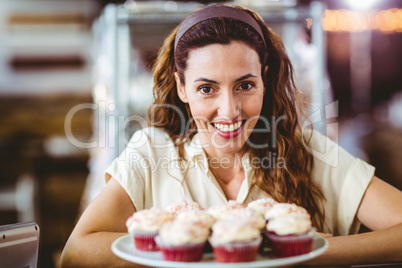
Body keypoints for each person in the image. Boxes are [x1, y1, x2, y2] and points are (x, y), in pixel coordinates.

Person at [60, 4, 402, 267]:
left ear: (264, 80)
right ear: (182, 87)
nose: (230, 110)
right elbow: (76, 252)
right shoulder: (151, 151)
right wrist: (197, 246)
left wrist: (313, 251)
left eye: (245, 85)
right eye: (207, 88)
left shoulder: (310, 151)